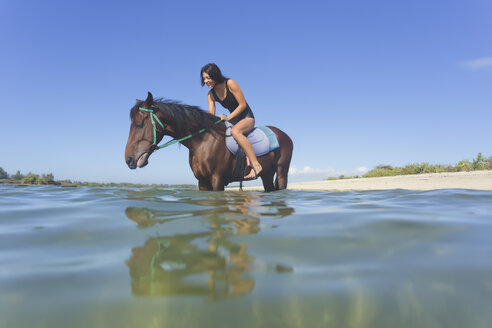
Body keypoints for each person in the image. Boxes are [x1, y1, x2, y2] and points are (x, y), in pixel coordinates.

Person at [201, 63, 262, 180]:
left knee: (236, 132)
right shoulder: (211, 95)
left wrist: (227, 118)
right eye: (204, 79)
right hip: (233, 119)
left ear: (215, 75)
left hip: (246, 117)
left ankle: (256, 165)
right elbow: (210, 115)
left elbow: (243, 105)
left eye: (208, 78)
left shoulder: (230, 83)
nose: (206, 81)